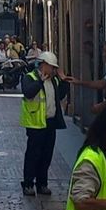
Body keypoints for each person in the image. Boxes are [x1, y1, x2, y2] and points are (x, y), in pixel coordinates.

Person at [21, 51, 70, 196]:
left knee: (46, 155)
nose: (53, 69)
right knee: (33, 155)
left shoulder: (54, 81)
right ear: (43, 65)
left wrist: (64, 80)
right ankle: (28, 183)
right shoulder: (29, 77)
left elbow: (60, 95)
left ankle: (42, 183)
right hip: (35, 124)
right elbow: (28, 93)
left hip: (50, 123)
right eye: (51, 66)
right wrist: (40, 81)